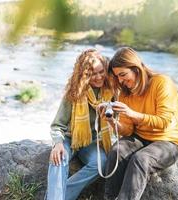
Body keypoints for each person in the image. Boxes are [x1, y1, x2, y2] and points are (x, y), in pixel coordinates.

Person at [103, 47, 178, 200]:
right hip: (141, 137)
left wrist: (132, 114)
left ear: (136, 69)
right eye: (117, 76)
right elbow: (127, 130)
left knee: (141, 159)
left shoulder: (162, 82)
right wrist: (113, 122)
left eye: (123, 74)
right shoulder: (125, 92)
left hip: (168, 141)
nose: (121, 81)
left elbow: (164, 122)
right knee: (116, 152)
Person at [46, 49, 113, 200]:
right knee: (59, 158)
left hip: (92, 142)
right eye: (91, 74)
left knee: (101, 163)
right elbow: (57, 125)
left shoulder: (110, 92)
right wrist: (57, 143)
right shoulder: (74, 92)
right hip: (70, 139)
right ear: (83, 76)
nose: (98, 77)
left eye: (101, 72)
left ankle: (59, 196)